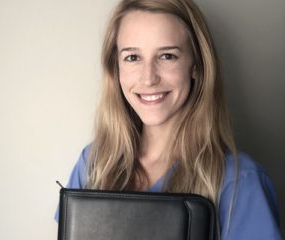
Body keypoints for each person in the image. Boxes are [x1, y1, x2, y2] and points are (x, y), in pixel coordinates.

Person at [56, 0, 282, 239]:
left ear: (196, 66)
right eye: (133, 57)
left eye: (167, 56)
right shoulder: (93, 164)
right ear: (117, 68)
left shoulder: (239, 182)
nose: (148, 78)